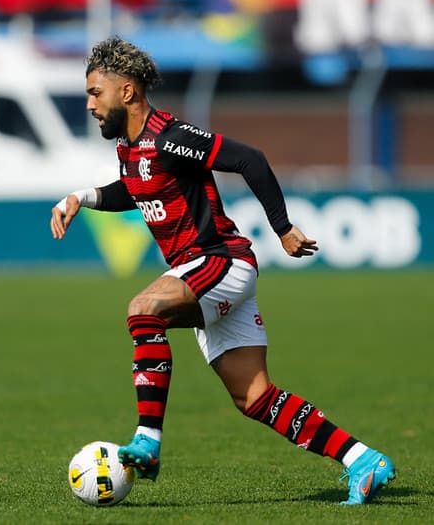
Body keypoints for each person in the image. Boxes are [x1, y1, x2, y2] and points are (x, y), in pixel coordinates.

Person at [50, 36, 395, 505]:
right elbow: (134, 189)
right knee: (254, 397)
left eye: (95, 92)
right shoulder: (130, 148)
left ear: (127, 91)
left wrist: (283, 228)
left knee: (143, 310)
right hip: (201, 272)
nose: (90, 104)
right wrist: (81, 197)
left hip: (220, 261)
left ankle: (147, 440)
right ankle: (363, 459)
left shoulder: (170, 136)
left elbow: (249, 159)